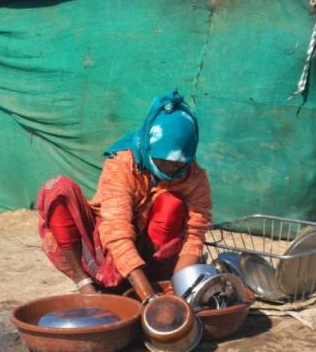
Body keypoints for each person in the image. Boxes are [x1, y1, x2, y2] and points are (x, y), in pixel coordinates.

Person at [36, 90, 212, 301]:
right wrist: (148, 297)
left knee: (170, 204)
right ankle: (86, 285)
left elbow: (195, 234)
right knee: (57, 189)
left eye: (178, 163)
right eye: (162, 160)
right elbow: (116, 231)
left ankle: (155, 280)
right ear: (148, 145)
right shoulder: (123, 164)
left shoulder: (194, 176)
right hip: (104, 250)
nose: (170, 168)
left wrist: (180, 292)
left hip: (152, 258)